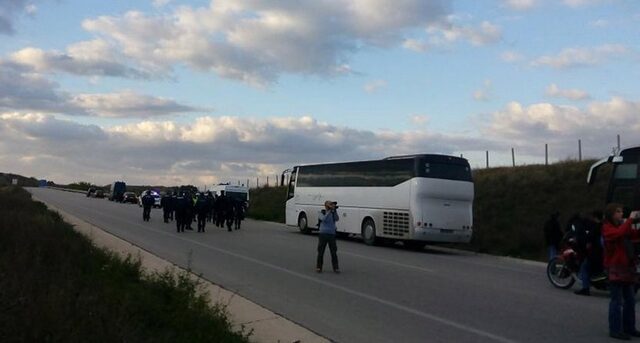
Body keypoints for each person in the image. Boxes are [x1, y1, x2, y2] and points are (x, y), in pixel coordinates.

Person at [602, 203, 640, 340]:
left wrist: (636, 223)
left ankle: (629, 327)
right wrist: (630, 220)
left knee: (630, 300)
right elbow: (619, 234)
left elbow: (633, 234)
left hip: (627, 267)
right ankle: (615, 329)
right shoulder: (607, 228)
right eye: (618, 212)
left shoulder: (622, 226)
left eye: (622, 211)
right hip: (615, 267)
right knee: (616, 301)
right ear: (611, 214)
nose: (621, 214)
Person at [316, 200, 340, 273]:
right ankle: (319, 267)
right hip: (323, 234)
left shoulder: (333, 213)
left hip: (332, 234)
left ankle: (336, 267)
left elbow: (337, 219)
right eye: (331, 204)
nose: (332, 206)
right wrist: (329, 212)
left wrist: (334, 211)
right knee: (321, 251)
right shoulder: (321, 212)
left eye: (333, 205)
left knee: (333, 252)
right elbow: (324, 219)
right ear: (326, 206)